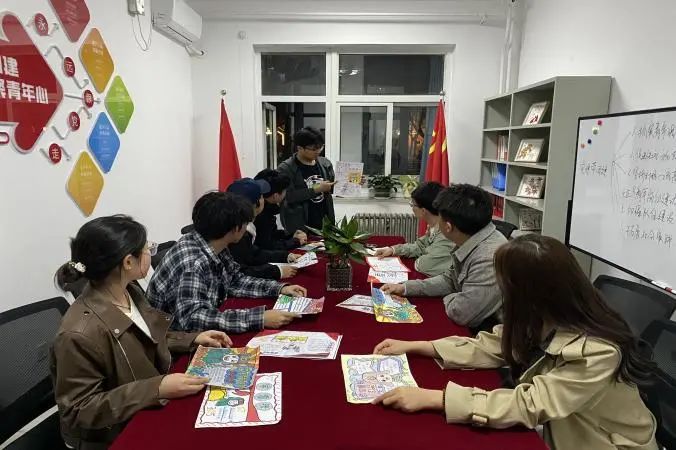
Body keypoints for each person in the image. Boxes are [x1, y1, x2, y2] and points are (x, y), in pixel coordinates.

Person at [371, 234, 658, 450]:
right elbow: (493, 344)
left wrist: (436, 398)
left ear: (532, 290)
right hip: (560, 429)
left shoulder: (598, 351)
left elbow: (531, 404)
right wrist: (419, 346)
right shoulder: (543, 315)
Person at [51, 215, 232, 448]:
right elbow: (78, 410)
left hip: (144, 402)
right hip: (115, 434)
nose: (151, 252)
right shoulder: (78, 334)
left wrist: (191, 339)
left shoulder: (129, 291)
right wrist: (156, 389)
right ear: (128, 262)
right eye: (148, 248)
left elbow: (143, 337)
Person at [147, 192, 306, 334]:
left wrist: (279, 288)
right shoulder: (193, 263)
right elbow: (193, 319)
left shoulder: (215, 242)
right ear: (236, 229)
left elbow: (235, 280)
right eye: (245, 223)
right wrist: (259, 318)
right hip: (174, 342)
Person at [382, 184, 507, 331]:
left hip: (491, 334)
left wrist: (452, 295)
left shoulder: (488, 258)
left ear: (448, 227)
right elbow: (450, 280)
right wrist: (405, 288)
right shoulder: (470, 236)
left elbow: (461, 313)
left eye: (439, 217)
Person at [373, 181, 454, 277]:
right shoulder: (434, 225)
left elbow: (426, 266)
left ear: (423, 210)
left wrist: (421, 255)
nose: (412, 208)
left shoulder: (446, 233)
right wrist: (393, 250)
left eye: (413, 204)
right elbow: (420, 246)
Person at [227, 177, 300, 280]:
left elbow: (254, 253)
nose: (265, 200)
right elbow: (239, 272)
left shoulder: (243, 225)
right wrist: (277, 271)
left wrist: (284, 256)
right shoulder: (237, 233)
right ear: (256, 204)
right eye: (262, 197)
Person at [277, 126, 336, 233]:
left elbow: (331, 187)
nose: (318, 151)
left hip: (325, 223)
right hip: (299, 225)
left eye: (320, 147)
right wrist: (316, 189)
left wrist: (352, 183)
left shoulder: (325, 163)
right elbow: (288, 196)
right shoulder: (286, 168)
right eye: (313, 149)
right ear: (300, 148)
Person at [254, 168, 308, 250]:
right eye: (285, 190)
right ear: (275, 196)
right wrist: (295, 242)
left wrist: (290, 236)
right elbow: (267, 246)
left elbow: (271, 235)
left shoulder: (266, 207)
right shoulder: (260, 212)